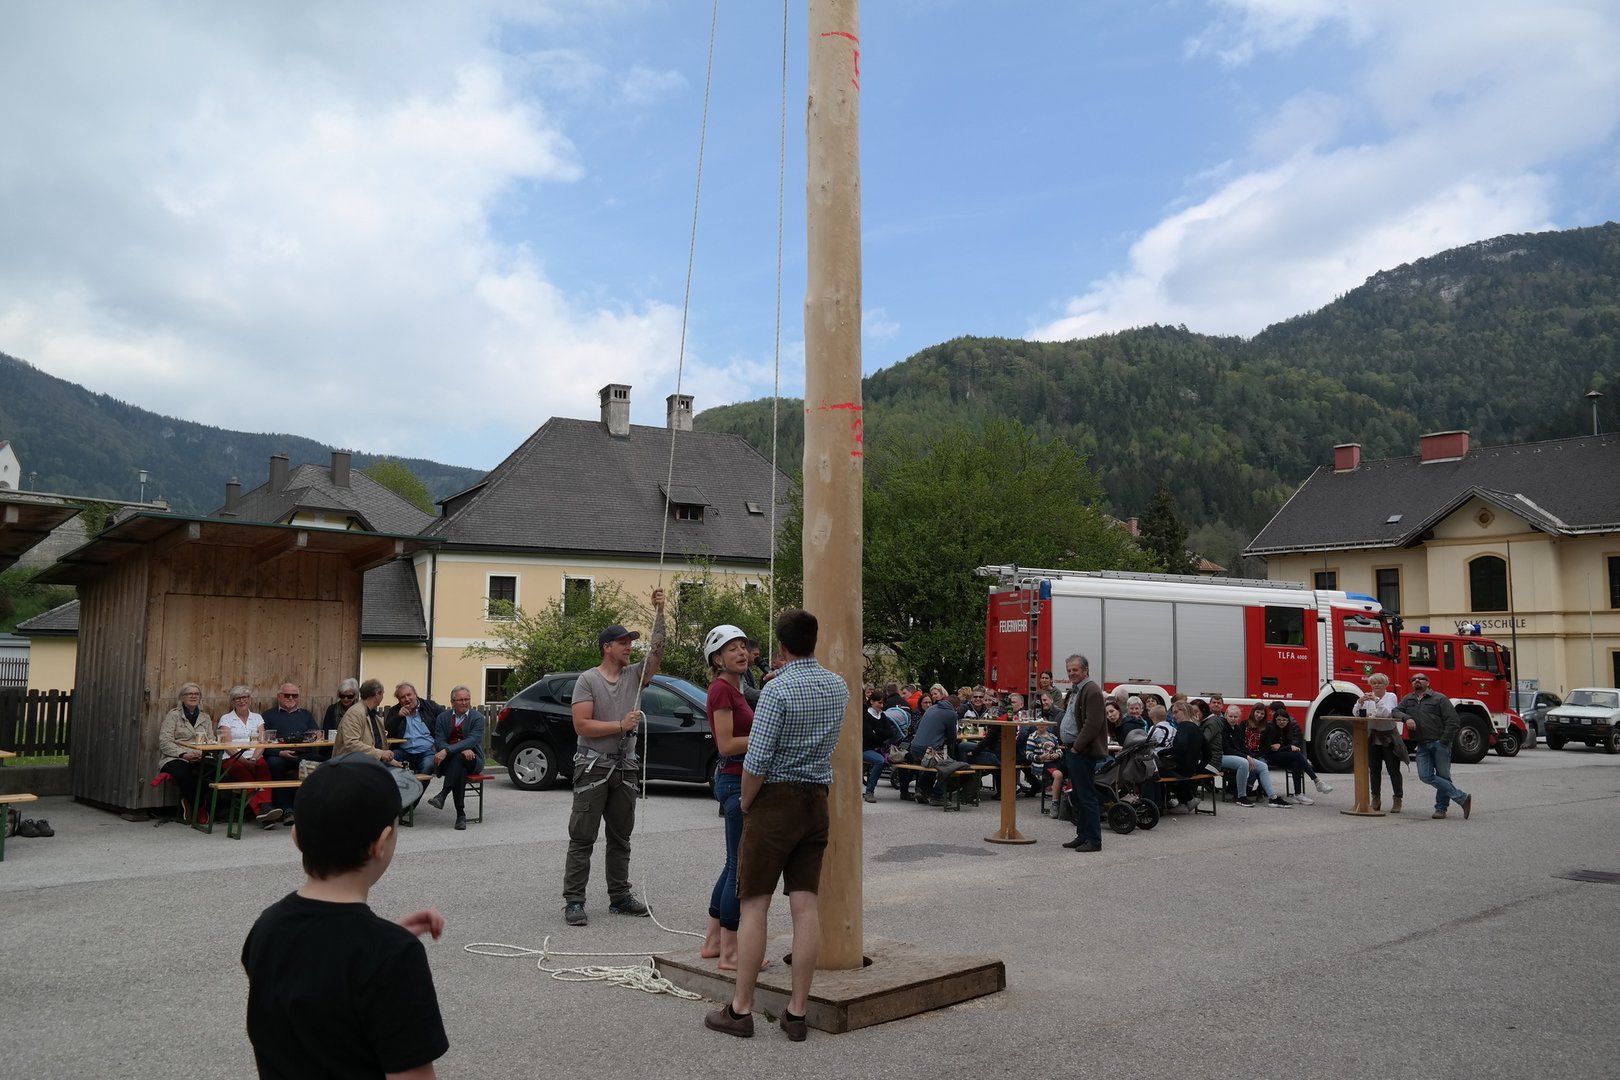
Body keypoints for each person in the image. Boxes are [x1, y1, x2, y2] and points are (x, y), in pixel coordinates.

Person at [242, 753, 448, 1078]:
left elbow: (311, 994)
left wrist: (381, 941)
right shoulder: (393, 957)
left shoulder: (266, 927)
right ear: (381, 843)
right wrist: (383, 948)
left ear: (296, 838)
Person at [704, 608, 848, 1043]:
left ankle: (740, 1009)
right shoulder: (838, 685)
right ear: (814, 640)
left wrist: (748, 801)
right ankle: (797, 1012)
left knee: (754, 904)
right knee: (805, 907)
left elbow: (758, 758)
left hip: (775, 800)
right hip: (816, 800)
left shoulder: (776, 690)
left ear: (781, 646)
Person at [562, 588, 666, 927]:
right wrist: (620, 725)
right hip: (593, 767)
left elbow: (657, 652)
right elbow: (581, 724)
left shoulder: (635, 675)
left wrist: (660, 612)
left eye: (630, 642)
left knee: (621, 838)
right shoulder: (588, 680)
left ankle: (619, 897)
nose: (629, 646)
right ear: (607, 647)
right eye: (623, 642)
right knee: (582, 838)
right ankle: (574, 901)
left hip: (626, 768)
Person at [699, 624, 755, 970]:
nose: (741, 652)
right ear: (717, 659)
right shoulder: (722, 690)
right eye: (732, 649)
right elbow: (726, 744)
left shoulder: (736, 688)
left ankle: (713, 942)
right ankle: (731, 953)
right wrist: (766, 733)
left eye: (743, 646)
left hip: (736, 780)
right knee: (740, 868)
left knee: (732, 862)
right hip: (735, 781)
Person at [1393, 673, 1472, 820]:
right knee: (1425, 776)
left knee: (1443, 776)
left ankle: (1441, 809)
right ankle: (1461, 797)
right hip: (1421, 744)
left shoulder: (1439, 698)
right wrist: (1407, 718)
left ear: (1428, 683)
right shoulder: (1408, 699)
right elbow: (1395, 711)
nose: (1417, 680)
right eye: (1413, 679)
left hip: (1439, 742)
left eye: (1421, 678)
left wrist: (1444, 741)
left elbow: (1453, 721)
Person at [1058, 654, 1107, 851]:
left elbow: (1093, 723)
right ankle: (1083, 835)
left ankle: (1094, 840)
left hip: (1082, 751)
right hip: (1074, 750)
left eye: (1075, 670)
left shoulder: (1092, 690)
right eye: (1069, 670)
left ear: (1085, 670)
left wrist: (1077, 747)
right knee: (1078, 795)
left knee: (1086, 796)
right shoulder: (1078, 689)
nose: (1071, 673)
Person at [218, 686, 280, 827]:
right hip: (233, 757)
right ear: (232, 702)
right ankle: (263, 812)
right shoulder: (226, 719)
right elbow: (227, 745)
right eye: (237, 698)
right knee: (246, 776)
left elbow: (262, 742)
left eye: (245, 697)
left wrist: (253, 759)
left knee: (264, 769)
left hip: (254, 756)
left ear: (250, 699)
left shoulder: (257, 718)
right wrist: (246, 763)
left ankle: (265, 807)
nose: (242, 701)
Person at [1205, 703, 1287, 808]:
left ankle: (1273, 798)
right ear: (1226, 716)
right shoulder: (1222, 727)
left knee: (1263, 766)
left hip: (1234, 756)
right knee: (1243, 763)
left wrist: (1250, 756)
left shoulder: (1237, 728)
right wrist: (1246, 757)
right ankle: (1241, 796)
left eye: (1235, 717)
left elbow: (1242, 747)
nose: (1233, 719)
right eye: (1230, 716)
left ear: (1239, 718)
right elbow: (1227, 749)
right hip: (1219, 756)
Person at [425, 685, 485, 830]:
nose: (465, 703)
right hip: (449, 761)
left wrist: (448, 750)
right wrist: (459, 750)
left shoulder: (478, 718)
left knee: (460, 759)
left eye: (467, 699)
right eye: (461, 700)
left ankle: (443, 794)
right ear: (452, 702)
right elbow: (439, 741)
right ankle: (460, 815)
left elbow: (472, 740)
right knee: (459, 767)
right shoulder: (442, 718)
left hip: (472, 759)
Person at [261, 682, 317, 824]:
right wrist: (280, 753)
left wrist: (311, 737)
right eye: (287, 695)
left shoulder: (306, 714)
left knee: (327, 762)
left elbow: (315, 734)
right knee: (274, 764)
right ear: (279, 697)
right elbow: (262, 744)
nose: (291, 698)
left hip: (302, 754)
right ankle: (287, 809)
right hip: (279, 755)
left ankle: (314, 809)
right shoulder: (268, 715)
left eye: (295, 695)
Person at [153, 683, 211, 820]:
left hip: (199, 756)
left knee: (212, 771)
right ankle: (199, 807)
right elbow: (165, 742)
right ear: (182, 698)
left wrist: (202, 753)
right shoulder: (173, 715)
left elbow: (210, 740)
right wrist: (184, 754)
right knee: (184, 773)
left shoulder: (205, 717)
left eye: (196, 694)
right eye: (189, 694)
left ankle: (188, 801)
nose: (193, 696)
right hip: (175, 757)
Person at [1264, 702, 1333, 804]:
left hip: (1282, 755)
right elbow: (1272, 748)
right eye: (1279, 719)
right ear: (1275, 719)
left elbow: (1286, 747)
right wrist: (1288, 747)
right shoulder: (1270, 728)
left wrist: (1286, 747)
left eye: (1284, 720)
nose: (1281, 722)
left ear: (1288, 721)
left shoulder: (1288, 729)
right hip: (1270, 756)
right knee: (1296, 756)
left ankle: (1298, 795)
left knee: (1296, 762)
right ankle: (1317, 781)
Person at [900, 684, 958, 804]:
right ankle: (937, 796)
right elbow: (952, 738)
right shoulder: (951, 713)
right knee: (949, 765)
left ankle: (922, 790)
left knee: (933, 763)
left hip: (914, 749)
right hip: (930, 751)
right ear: (956, 707)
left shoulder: (931, 708)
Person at [1356, 673, 1404, 813]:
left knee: (1393, 769)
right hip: (1373, 735)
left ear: (1385, 685)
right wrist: (1360, 702)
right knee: (1374, 770)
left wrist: (1376, 700)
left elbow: (1387, 714)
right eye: (1374, 683)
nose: (1376, 685)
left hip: (1388, 736)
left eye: (1379, 683)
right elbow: (1357, 714)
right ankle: (1375, 799)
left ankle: (1397, 799)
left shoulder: (1391, 696)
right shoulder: (1367, 697)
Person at [332, 679, 395, 763]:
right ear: (377, 694)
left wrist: (393, 762)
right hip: (352, 765)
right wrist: (380, 754)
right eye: (383, 693)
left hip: (370, 763)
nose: (383, 697)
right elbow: (351, 744)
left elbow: (380, 747)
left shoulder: (375, 717)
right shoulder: (355, 713)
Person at [386, 683, 443, 775]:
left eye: (409, 695)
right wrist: (398, 717)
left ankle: (417, 785)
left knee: (428, 765)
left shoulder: (430, 706)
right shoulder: (395, 711)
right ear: (399, 700)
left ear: (415, 694)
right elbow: (387, 732)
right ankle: (399, 784)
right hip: (403, 751)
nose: (407, 699)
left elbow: (446, 722)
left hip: (427, 751)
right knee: (385, 761)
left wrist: (439, 743)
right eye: (402, 697)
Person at [859, 688, 892, 804]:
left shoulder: (882, 716)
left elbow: (890, 733)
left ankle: (904, 791)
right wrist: (881, 735)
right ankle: (870, 791)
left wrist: (877, 732)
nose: (881, 706)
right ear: (872, 701)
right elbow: (869, 737)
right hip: (865, 749)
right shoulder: (866, 716)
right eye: (879, 702)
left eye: (883, 703)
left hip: (879, 748)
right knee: (879, 761)